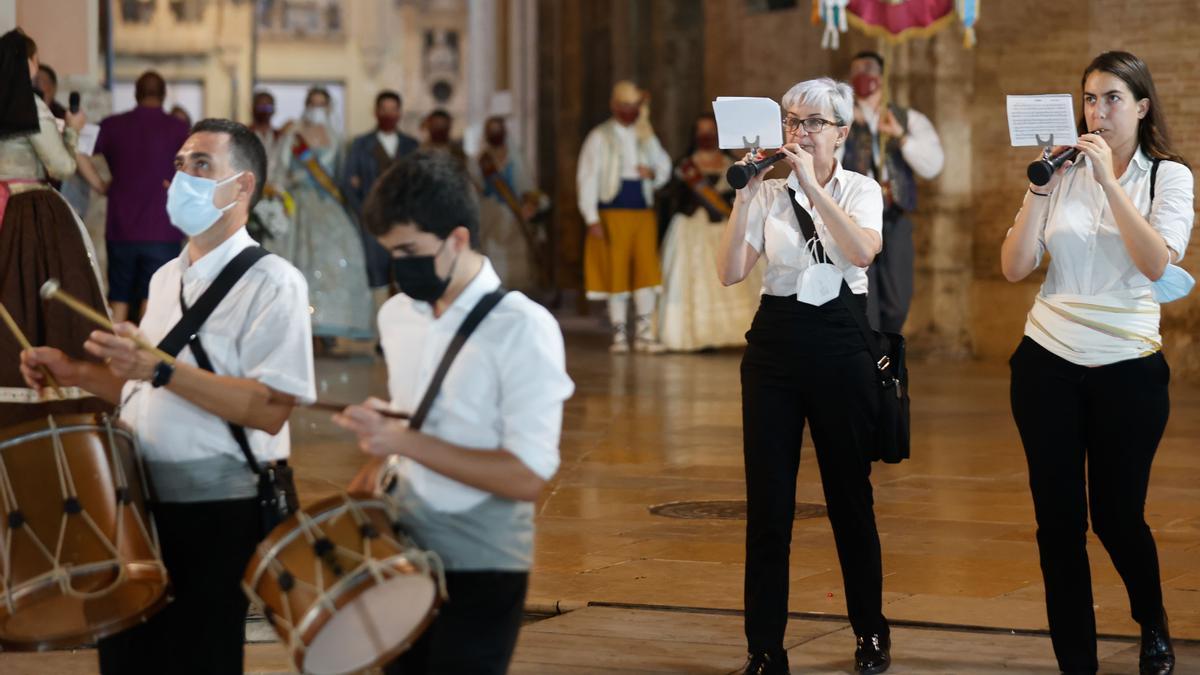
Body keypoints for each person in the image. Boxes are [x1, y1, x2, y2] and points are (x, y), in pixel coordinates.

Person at [21, 118, 317, 675]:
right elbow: (145, 388)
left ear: (243, 186)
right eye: (180, 164)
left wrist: (159, 369)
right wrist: (75, 372)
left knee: (197, 658)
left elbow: (270, 408)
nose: (183, 176)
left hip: (218, 512)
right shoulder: (164, 279)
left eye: (202, 164)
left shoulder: (274, 283)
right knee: (128, 658)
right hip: (137, 503)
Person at [336, 152, 574, 674]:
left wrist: (401, 442)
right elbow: (422, 422)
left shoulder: (523, 327)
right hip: (401, 551)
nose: (401, 267)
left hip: (481, 561)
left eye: (410, 250)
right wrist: (390, 428)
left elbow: (526, 476)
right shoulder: (397, 316)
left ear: (459, 239)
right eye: (390, 253)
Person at [1000, 51, 1192, 675]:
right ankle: (1076, 662)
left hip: (1127, 368)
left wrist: (1109, 179)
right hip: (1046, 361)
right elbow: (1014, 266)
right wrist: (1038, 190)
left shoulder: (1169, 177)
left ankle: (1152, 619)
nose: (1098, 111)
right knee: (1057, 523)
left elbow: (1156, 263)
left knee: (1116, 515)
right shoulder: (1060, 172)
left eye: (1112, 98)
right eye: (1089, 98)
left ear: (1140, 106)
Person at [715, 78, 890, 675]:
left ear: (842, 131)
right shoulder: (769, 192)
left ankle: (870, 632)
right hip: (775, 341)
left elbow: (863, 252)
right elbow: (731, 272)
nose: (800, 132)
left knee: (849, 496)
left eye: (814, 122)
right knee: (768, 505)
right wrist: (746, 198)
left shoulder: (861, 189)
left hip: (841, 341)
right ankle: (764, 648)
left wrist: (815, 187)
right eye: (791, 120)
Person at [0, 28, 110, 427]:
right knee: (43, 299)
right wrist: (73, 130)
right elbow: (60, 167)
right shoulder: (29, 105)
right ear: (27, 63)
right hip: (29, 209)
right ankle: (52, 395)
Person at [839, 50, 943, 333]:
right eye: (857, 71)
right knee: (863, 298)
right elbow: (827, 164)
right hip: (853, 220)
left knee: (898, 302)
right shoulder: (841, 120)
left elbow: (933, 165)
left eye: (869, 70)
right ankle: (870, 362)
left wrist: (900, 135)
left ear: (882, 77)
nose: (863, 76)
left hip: (894, 216)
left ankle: (887, 353)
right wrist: (846, 126)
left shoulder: (909, 118)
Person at [77, 70, 191, 323]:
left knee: (118, 298)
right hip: (163, 229)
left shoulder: (112, 125)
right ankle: (145, 360)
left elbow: (77, 148)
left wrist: (99, 185)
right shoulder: (179, 128)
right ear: (164, 96)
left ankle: (111, 359)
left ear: (135, 94)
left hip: (120, 228)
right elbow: (194, 170)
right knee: (154, 302)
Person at [271, 86, 373, 343]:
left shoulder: (336, 138)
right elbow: (279, 170)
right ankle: (292, 322)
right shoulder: (293, 135)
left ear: (328, 107)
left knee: (338, 255)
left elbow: (339, 175)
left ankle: (327, 322)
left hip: (327, 205)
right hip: (296, 203)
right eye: (312, 103)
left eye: (321, 104)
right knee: (295, 260)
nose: (316, 109)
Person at [576, 80, 671, 353]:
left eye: (633, 106)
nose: (629, 111)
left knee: (646, 272)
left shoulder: (646, 135)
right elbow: (587, 177)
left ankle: (644, 334)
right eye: (624, 105)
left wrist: (652, 175)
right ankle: (619, 335)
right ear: (614, 106)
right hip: (611, 211)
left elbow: (663, 166)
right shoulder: (599, 136)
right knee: (615, 271)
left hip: (642, 212)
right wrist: (591, 217)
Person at [657, 113, 763, 351]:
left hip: (724, 227)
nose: (706, 136)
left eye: (710, 131)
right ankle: (696, 336)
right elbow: (670, 195)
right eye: (701, 131)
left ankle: (736, 334)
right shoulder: (684, 165)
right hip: (690, 229)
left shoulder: (731, 162)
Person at [344, 90, 419, 298]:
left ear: (400, 112)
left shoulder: (411, 146)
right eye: (384, 110)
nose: (388, 114)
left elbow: (418, 183)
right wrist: (364, 214)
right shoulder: (360, 144)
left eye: (393, 110)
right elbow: (348, 185)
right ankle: (377, 327)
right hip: (372, 223)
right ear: (376, 112)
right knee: (375, 277)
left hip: (404, 221)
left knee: (404, 274)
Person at [468, 115, 544, 291]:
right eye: (491, 130)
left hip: (515, 215)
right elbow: (476, 188)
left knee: (517, 259)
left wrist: (529, 204)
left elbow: (526, 185)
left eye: (498, 129)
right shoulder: (481, 160)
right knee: (492, 256)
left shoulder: (516, 158)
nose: (495, 133)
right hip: (489, 215)